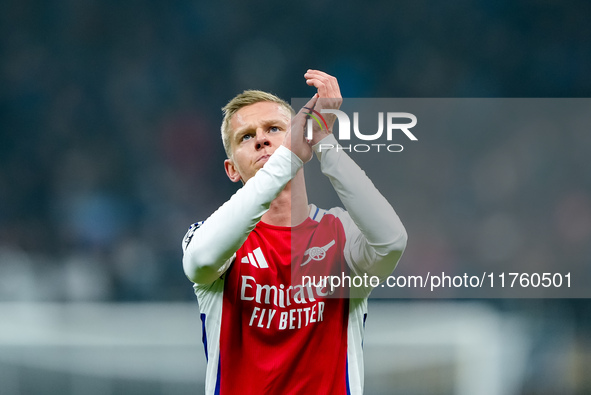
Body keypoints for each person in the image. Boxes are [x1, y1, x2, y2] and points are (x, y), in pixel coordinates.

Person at [182, 70, 407, 395]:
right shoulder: (211, 238)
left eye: (274, 129)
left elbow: (392, 241)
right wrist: (286, 157)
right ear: (232, 169)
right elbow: (200, 261)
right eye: (246, 136)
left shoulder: (340, 233)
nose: (261, 139)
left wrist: (325, 142)